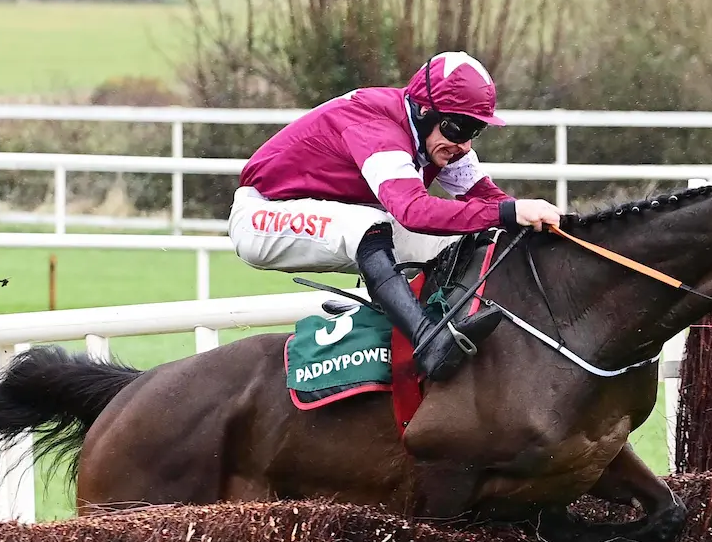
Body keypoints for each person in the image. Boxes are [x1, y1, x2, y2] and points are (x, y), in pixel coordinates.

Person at [228, 50, 563, 382]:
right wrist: (508, 212)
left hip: (328, 212)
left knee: (460, 242)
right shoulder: (378, 127)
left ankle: (394, 314)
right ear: (424, 111)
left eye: (474, 130)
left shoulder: (438, 136)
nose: (463, 145)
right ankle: (428, 341)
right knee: (369, 227)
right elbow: (414, 212)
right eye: (458, 128)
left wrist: (552, 223)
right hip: (261, 216)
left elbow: (489, 200)